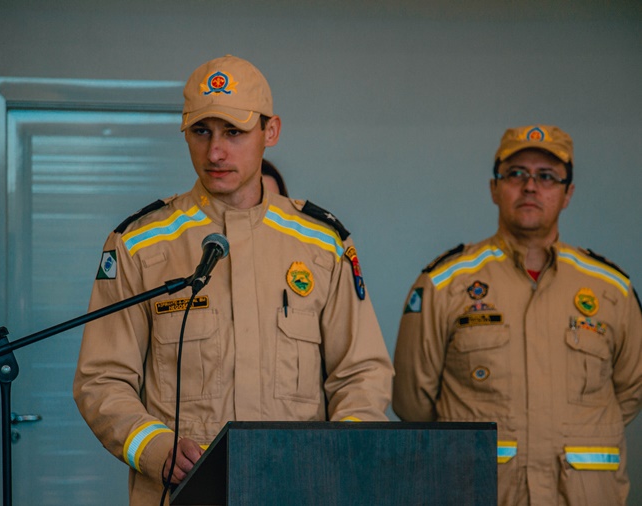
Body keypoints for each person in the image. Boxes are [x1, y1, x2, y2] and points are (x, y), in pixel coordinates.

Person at [73, 54, 393, 506]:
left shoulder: (323, 243)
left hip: (299, 492)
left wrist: (335, 458)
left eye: (234, 132)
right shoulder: (138, 244)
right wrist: (155, 448)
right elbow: (101, 379)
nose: (215, 152)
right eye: (201, 131)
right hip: (181, 494)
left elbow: (362, 375)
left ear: (271, 131)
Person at [392, 125, 642, 505]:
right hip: (479, 493)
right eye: (516, 174)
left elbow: (630, 391)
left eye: (547, 176)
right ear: (494, 188)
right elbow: (412, 403)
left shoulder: (612, 289)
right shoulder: (444, 283)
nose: (530, 187)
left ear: (568, 193)